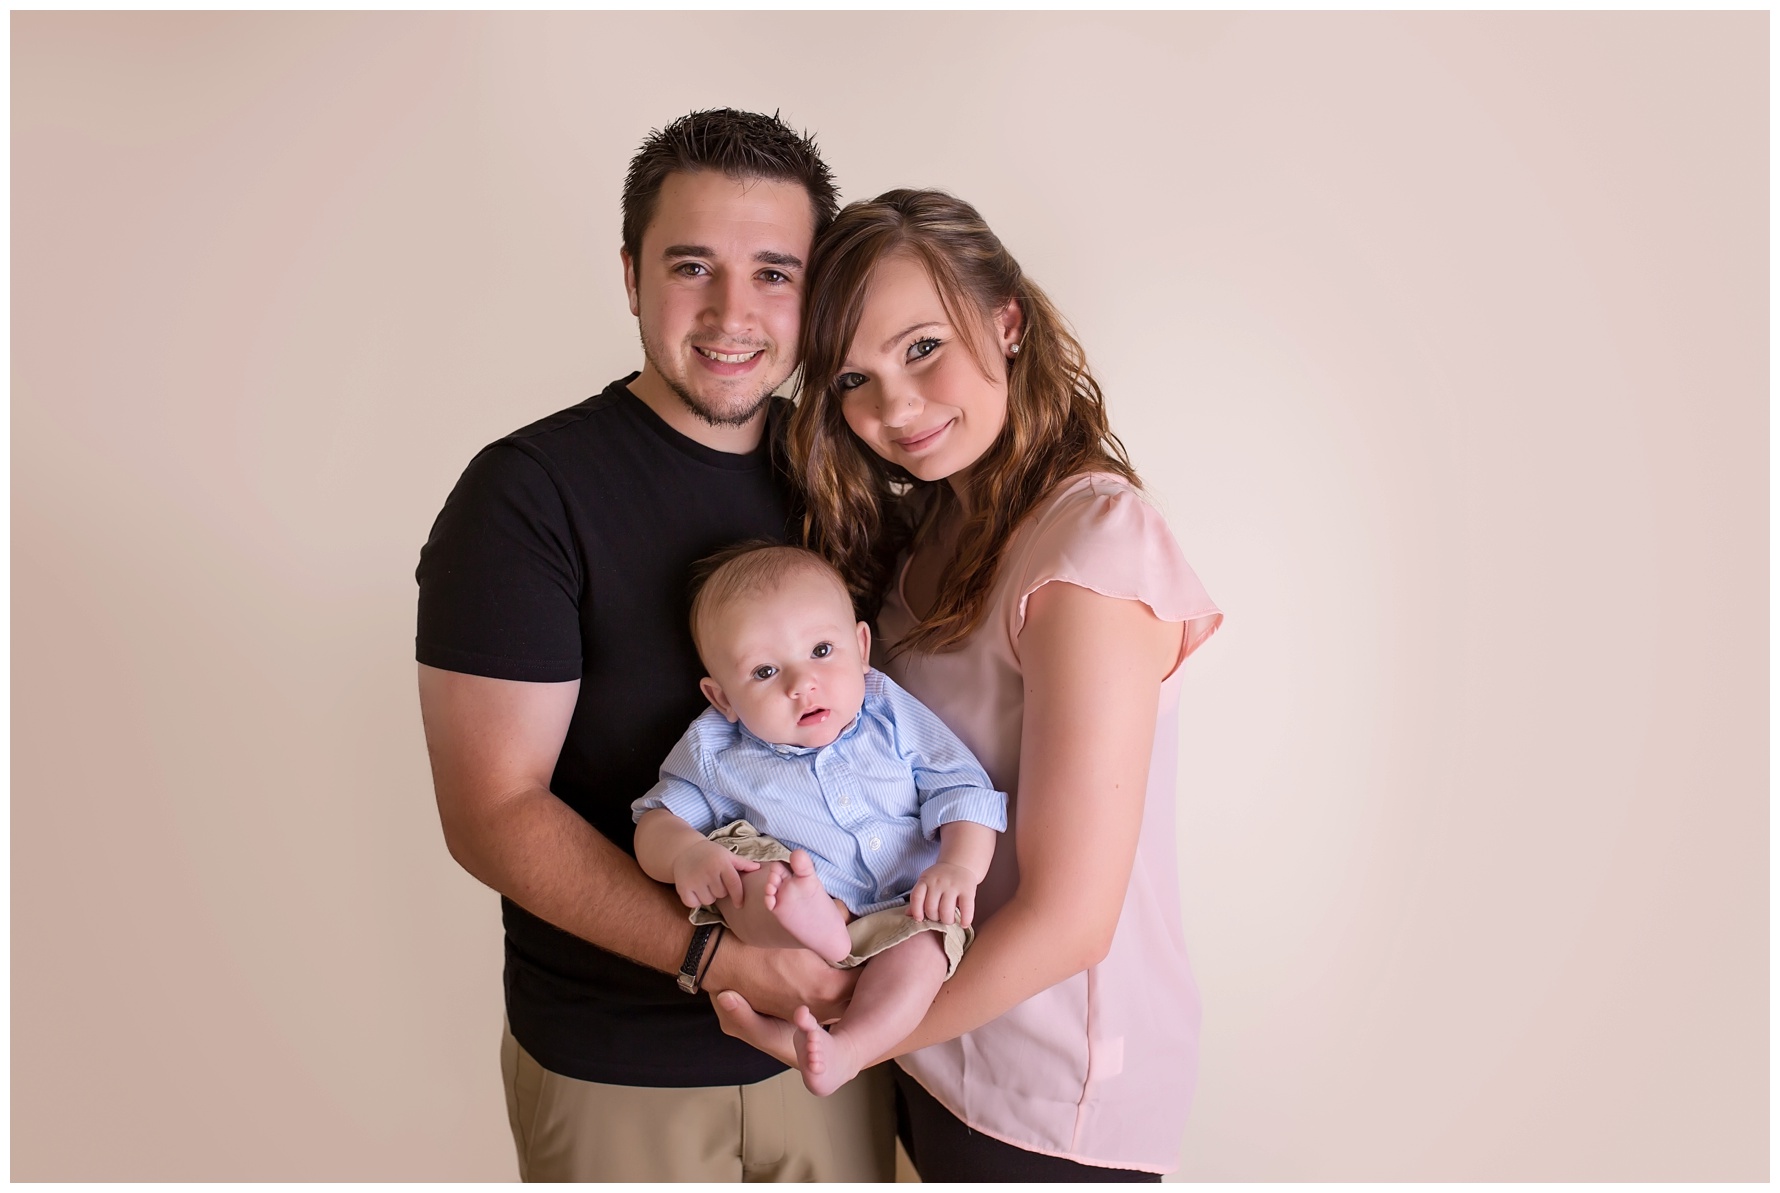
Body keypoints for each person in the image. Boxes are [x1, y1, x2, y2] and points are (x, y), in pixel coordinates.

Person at [413, 110, 897, 1182]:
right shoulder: (525, 496)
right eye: (692, 266)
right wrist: (715, 957)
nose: (733, 313)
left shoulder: (845, 477)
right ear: (632, 275)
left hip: (840, 1050)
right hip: (618, 1070)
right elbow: (492, 810)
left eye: (774, 273)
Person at [711, 188, 1225, 1180]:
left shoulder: (1092, 545)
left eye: (922, 348)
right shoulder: (925, 531)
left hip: (1046, 1091)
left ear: (1008, 320)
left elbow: (1072, 918)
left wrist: (859, 1033)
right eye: (854, 378)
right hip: (935, 1052)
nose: (894, 409)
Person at [630, 542, 1006, 1097]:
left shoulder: (886, 709)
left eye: (822, 650)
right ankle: (806, 917)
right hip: (796, 903)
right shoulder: (716, 748)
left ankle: (848, 1049)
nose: (801, 684)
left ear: (861, 648)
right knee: (747, 870)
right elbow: (655, 820)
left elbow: (961, 788)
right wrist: (686, 854)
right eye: (764, 671)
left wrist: (959, 866)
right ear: (722, 697)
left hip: (905, 909)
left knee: (927, 951)